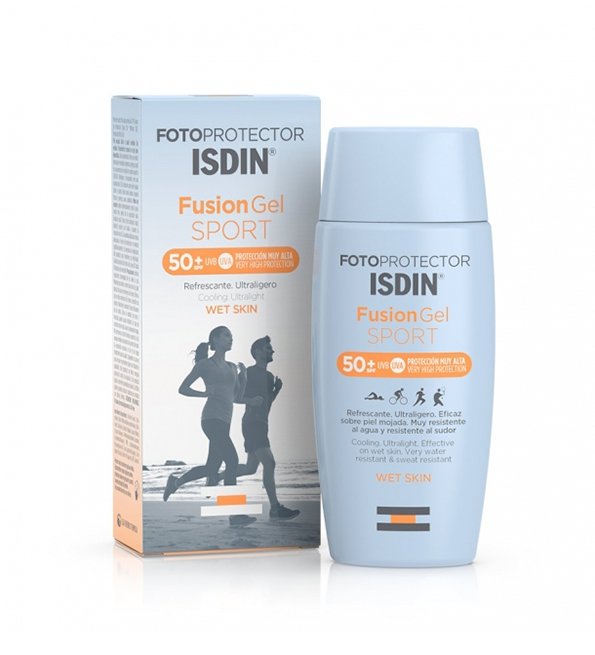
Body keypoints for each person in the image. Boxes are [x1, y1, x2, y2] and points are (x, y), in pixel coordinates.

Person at [163, 326, 254, 527]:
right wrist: (204, 393)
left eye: (232, 336)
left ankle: (175, 482)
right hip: (211, 419)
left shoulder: (233, 367)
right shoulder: (205, 365)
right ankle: (235, 515)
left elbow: (236, 398)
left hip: (225, 420)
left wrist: (244, 378)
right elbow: (183, 388)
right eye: (227, 336)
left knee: (211, 468)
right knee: (232, 460)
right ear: (215, 339)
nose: (231, 339)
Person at [230, 336, 300, 520]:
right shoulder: (249, 372)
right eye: (268, 348)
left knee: (250, 468)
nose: (272, 351)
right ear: (257, 352)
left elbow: (266, 405)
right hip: (252, 423)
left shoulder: (269, 377)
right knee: (270, 463)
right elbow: (234, 397)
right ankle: (275, 509)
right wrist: (251, 400)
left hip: (262, 424)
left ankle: (218, 476)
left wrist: (275, 391)